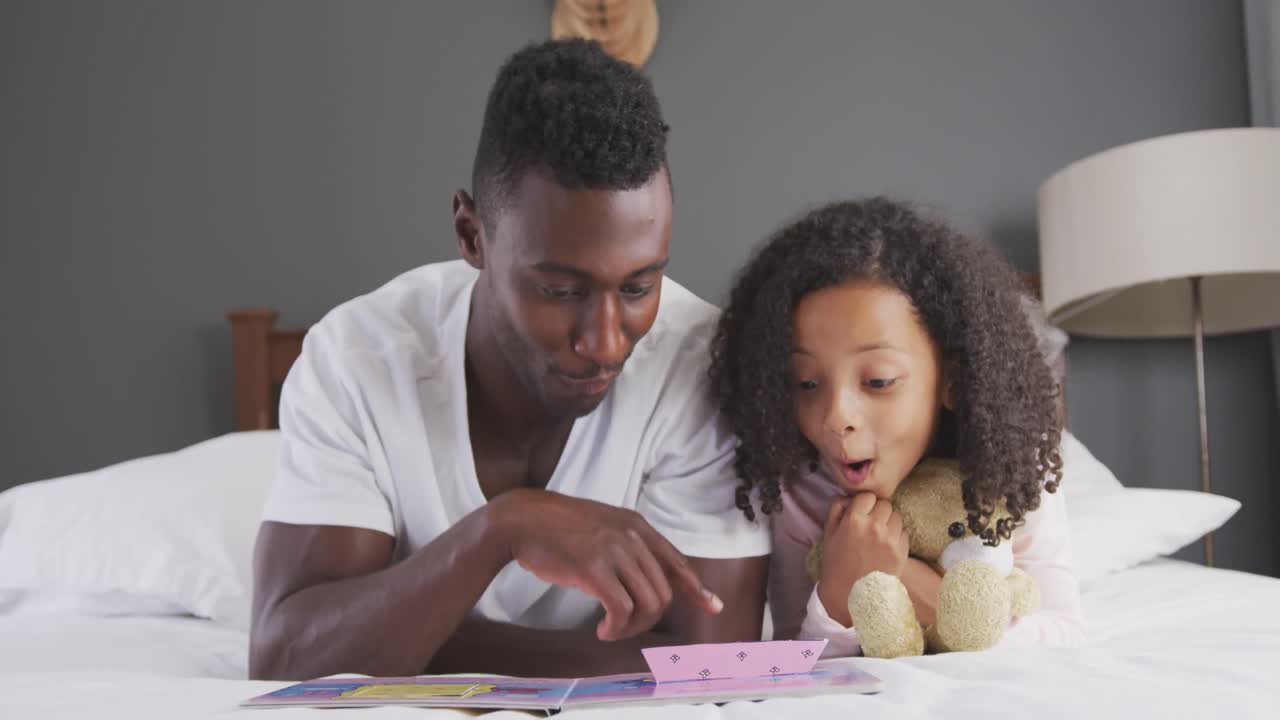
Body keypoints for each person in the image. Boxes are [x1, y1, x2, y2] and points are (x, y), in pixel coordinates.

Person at [248, 39, 770, 681]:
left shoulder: (701, 366)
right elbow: (282, 656)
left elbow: (714, 670)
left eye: (638, 287)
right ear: (472, 236)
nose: (605, 342)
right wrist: (501, 530)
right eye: (561, 290)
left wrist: (412, 644)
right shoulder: (356, 361)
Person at [708, 197, 1084, 656]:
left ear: (952, 380)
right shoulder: (800, 491)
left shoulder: (1013, 465)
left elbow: (1063, 633)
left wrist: (903, 575)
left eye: (878, 381)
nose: (835, 416)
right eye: (806, 383)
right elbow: (797, 654)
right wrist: (837, 591)